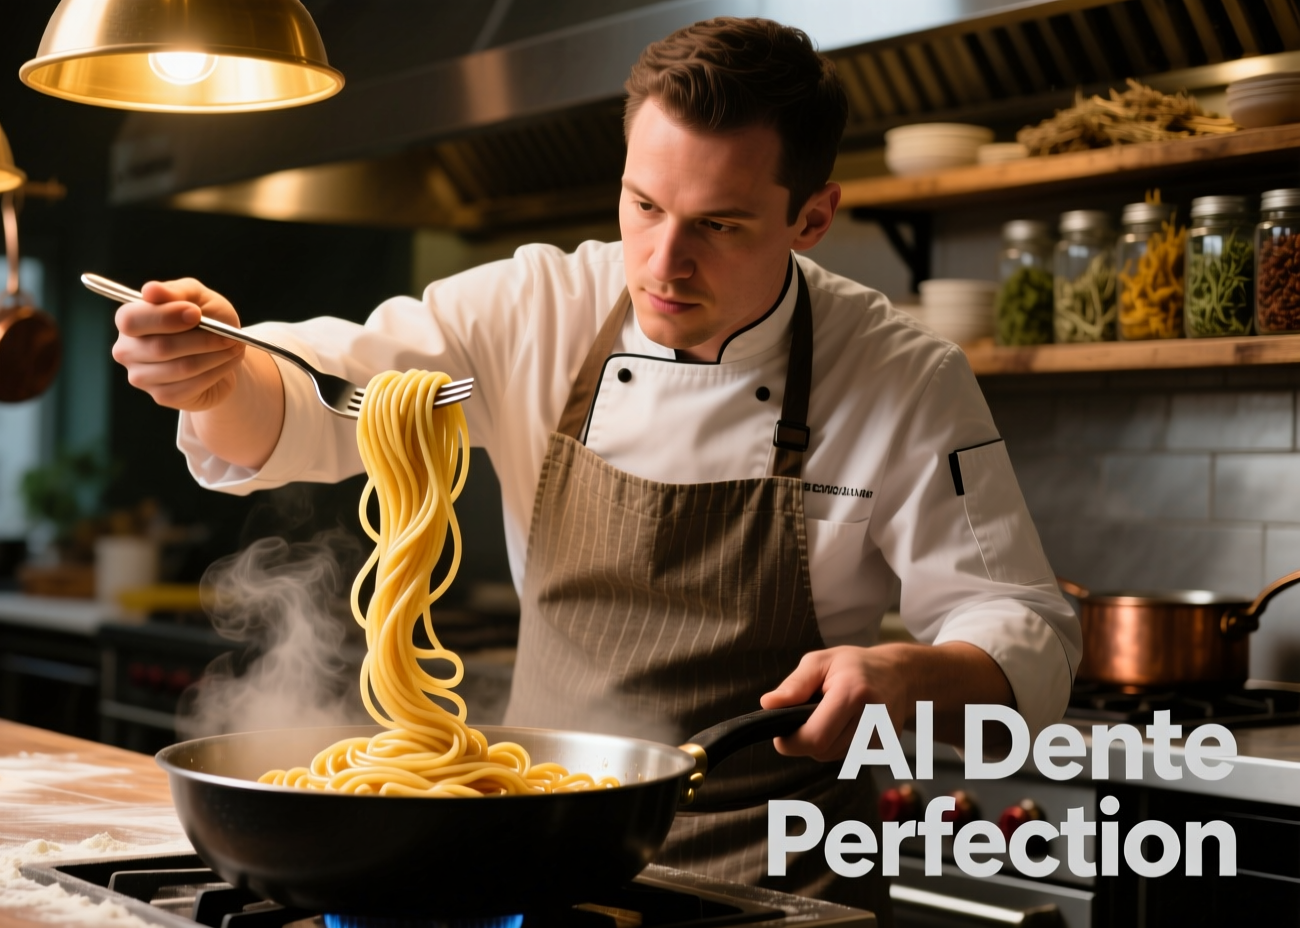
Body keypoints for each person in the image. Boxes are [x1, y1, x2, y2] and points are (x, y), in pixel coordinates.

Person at [111, 16, 1080, 918]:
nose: (662, 262)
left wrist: (901, 668)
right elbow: (322, 404)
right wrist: (212, 373)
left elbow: (1022, 623)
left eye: (720, 224)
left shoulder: (898, 375)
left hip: (775, 887)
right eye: (642, 204)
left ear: (811, 217)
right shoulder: (534, 308)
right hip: (538, 851)